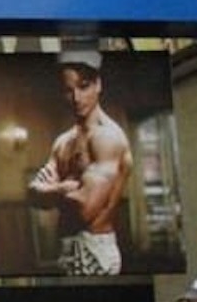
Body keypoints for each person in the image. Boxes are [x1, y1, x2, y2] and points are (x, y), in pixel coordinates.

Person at [28, 51, 134, 276]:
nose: (76, 98)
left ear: (98, 84)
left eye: (83, 86)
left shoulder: (107, 138)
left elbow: (85, 209)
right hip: (65, 248)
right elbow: (32, 194)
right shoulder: (63, 142)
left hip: (95, 247)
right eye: (68, 90)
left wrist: (50, 190)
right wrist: (66, 188)